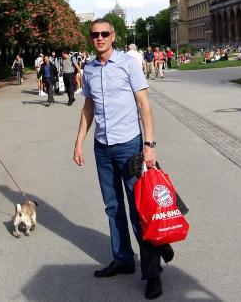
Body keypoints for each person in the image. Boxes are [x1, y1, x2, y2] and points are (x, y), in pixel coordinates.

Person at [73, 18, 166, 300]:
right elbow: (88, 107)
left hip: (129, 146)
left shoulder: (128, 64)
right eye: (94, 35)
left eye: (104, 34)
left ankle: (152, 273)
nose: (99, 38)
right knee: (112, 207)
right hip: (103, 148)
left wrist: (149, 145)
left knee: (140, 210)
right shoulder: (88, 68)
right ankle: (123, 259)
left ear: (113, 36)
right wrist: (79, 141)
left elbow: (144, 106)